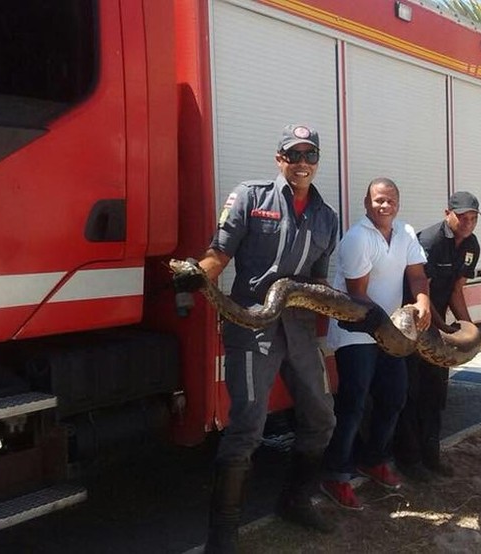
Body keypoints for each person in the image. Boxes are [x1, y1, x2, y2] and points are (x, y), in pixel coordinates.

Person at [174, 124, 339, 552]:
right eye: (293, 155)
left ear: (317, 162)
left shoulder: (326, 216)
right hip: (252, 324)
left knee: (321, 416)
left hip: (300, 328)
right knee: (247, 425)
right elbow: (219, 253)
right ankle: (223, 533)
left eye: (310, 156)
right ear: (279, 158)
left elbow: (319, 280)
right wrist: (196, 275)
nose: (302, 163)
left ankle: (296, 500)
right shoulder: (251, 197)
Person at [319, 177, 432, 510]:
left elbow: (416, 275)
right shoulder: (357, 238)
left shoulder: (406, 233)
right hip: (356, 332)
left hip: (389, 332)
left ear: (398, 203)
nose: (385, 205)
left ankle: (373, 459)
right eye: (379, 200)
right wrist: (392, 329)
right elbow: (358, 295)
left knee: (395, 397)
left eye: (391, 200)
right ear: (367, 204)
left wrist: (423, 301)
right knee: (353, 405)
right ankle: (335, 475)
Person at [393, 191, 481, 482]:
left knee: (436, 395)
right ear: (448, 214)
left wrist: (469, 330)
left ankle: (432, 456)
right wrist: (443, 328)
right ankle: (409, 461)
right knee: (411, 394)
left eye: (473, 218)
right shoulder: (430, 241)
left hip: (439, 328)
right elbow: (421, 290)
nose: (468, 223)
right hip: (415, 327)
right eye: (463, 217)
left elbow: (456, 289)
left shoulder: (471, 246)